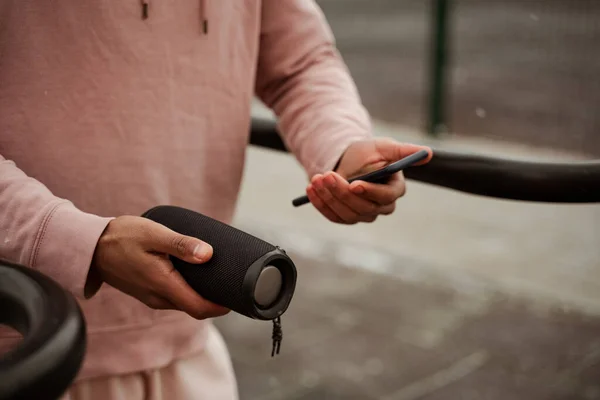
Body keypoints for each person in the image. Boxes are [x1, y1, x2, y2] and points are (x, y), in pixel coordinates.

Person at [0, 1, 432, 399]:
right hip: (28, 352)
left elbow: (300, 64)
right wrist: (78, 241)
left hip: (191, 349)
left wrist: (342, 147)